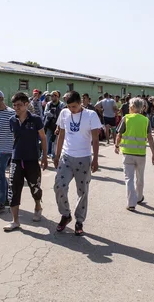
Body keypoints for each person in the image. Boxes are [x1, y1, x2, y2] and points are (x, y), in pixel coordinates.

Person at [53, 91, 101, 235]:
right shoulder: (64, 113)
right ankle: (65, 215)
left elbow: (95, 139)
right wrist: (56, 155)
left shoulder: (91, 115)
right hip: (66, 157)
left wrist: (96, 159)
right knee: (59, 186)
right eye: (69, 106)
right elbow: (61, 134)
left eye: (74, 106)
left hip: (84, 158)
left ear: (81, 103)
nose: (71, 109)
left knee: (82, 191)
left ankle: (79, 221)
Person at [4, 92, 49, 232]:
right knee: (13, 188)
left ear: (26, 104)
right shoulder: (12, 120)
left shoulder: (35, 120)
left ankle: (37, 205)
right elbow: (14, 138)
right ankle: (15, 221)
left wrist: (44, 156)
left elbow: (43, 138)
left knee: (35, 187)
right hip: (16, 159)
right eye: (14, 105)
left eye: (19, 105)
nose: (16, 107)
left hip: (32, 159)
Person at [114, 97, 154, 211]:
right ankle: (138, 197)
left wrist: (117, 146)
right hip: (141, 154)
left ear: (133, 107)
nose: (128, 107)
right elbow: (150, 138)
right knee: (140, 178)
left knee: (129, 179)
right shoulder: (145, 120)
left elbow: (119, 135)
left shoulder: (126, 118)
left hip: (128, 154)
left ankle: (131, 203)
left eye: (129, 106)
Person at [43, 91, 65, 157]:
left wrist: (56, 113)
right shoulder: (49, 104)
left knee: (55, 141)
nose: (51, 97)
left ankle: (54, 154)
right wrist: (51, 113)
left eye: (53, 96)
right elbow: (45, 113)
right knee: (46, 140)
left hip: (57, 125)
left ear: (57, 96)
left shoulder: (61, 104)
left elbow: (63, 114)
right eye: (51, 96)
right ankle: (44, 154)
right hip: (49, 125)